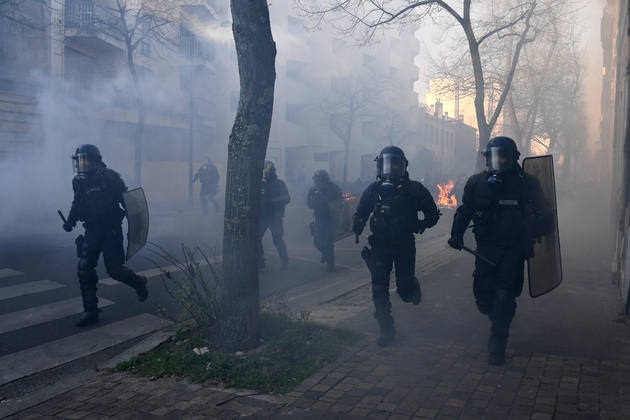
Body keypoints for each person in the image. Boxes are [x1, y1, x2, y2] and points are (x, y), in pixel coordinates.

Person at [447, 136, 548, 366]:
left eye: (503, 156)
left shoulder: (526, 183)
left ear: (513, 158)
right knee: (483, 298)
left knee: (504, 297)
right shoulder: (476, 183)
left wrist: (538, 230)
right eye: (494, 157)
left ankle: (497, 344)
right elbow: (465, 211)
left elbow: (543, 211)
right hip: (486, 249)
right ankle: (498, 316)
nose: (498, 161)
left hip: (513, 251)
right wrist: (457, 233)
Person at [352, 146, 441, 347]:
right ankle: (386, 329)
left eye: (395, 164)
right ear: (379, 166)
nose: (390, 168)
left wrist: (421, 224)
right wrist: (357, 224)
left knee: (405, 290)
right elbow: (362, 211)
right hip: (380, 246)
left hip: (404, 246)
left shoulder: (414, 190)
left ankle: (412, 289)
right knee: (378, 288)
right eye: (386, 164)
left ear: (403, 166)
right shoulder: (373, 190)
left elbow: (433, 214)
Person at [62, 144, 149, 327]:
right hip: (92, 231)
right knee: (84, 268)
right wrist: (70, 222)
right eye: (80, 160)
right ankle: (90, 310)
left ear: (96, 159)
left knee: (114, 270)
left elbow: (129, 202)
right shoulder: (78, 181)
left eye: (86, 159)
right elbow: (78, 203)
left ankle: (139, 282)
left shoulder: (111, 177)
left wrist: (136, 225)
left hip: (111, 231)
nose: (83, 163)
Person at [307, 169, 343, 272]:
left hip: (331, 219)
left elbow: (340, 203)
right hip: (319, 219)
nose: (318, 183)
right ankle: (326, 254)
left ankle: (330, 263)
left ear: (326, 180)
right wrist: (314, 198)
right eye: (316, 180)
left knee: (328, 241)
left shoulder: (334, 188)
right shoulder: (312, 190)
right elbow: (309, 205)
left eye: (321, 181)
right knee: (317, 242)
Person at [259, 161, 291, 270]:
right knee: (255, 238)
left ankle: (284, 260)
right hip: (262, 216)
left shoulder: (279, 184)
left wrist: (273, 201)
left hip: (275, 216)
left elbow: (287, 198)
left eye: (266, 170)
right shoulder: (259, 184)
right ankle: (259, 260)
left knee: (277, 239)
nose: (265, 172)